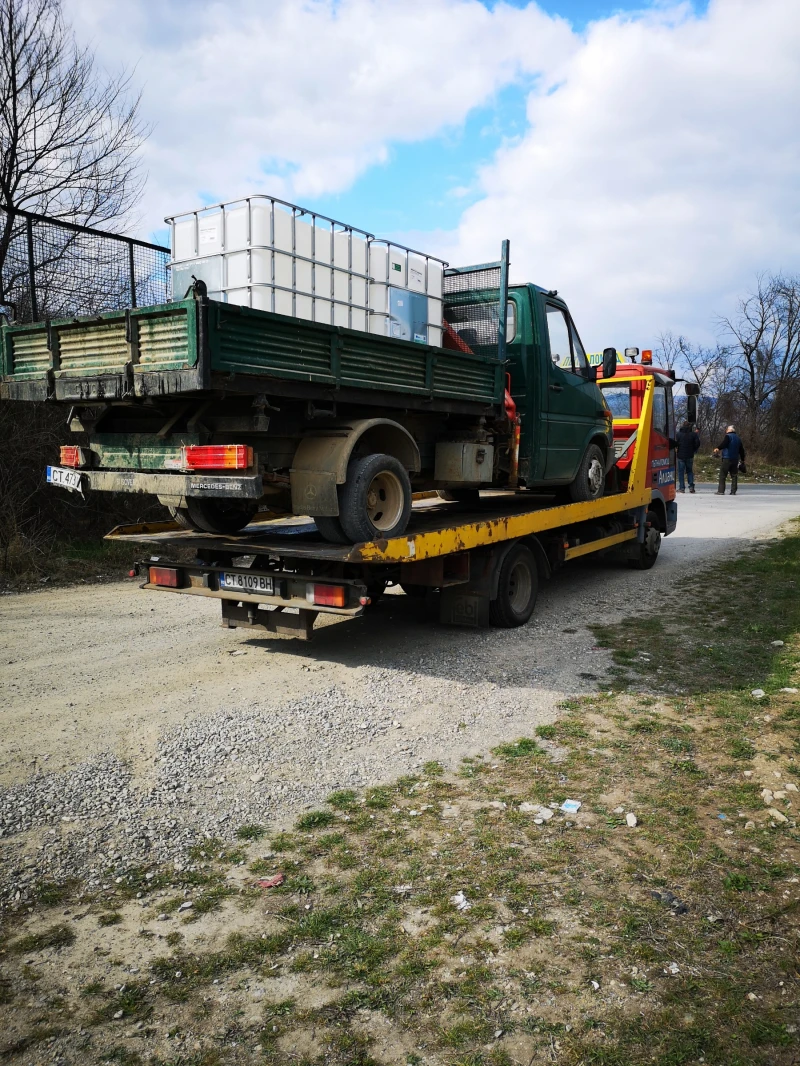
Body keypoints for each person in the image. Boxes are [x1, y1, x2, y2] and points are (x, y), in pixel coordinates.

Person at [714, 425, 746, 495]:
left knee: (723, 475)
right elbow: (742, 450)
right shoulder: (738, 438)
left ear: (730, 430)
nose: (726, 431)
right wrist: (743, 460)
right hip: (735, 459)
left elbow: (724, 444)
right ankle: (733, 491)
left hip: (727, 458)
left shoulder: (728, 436)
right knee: (734, 475)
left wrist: (718, 448)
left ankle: (721, 491)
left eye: (727, 429)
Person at [676, 420, 701, 493]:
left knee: (681, 472)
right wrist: (693, 449)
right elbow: (697, 443)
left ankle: (682, 488)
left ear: (682, 426)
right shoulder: (693, 434)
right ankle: (691, 487)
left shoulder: (679, 434)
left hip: (681, 455)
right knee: (689, 471)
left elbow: (676, 443)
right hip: (690, 455)